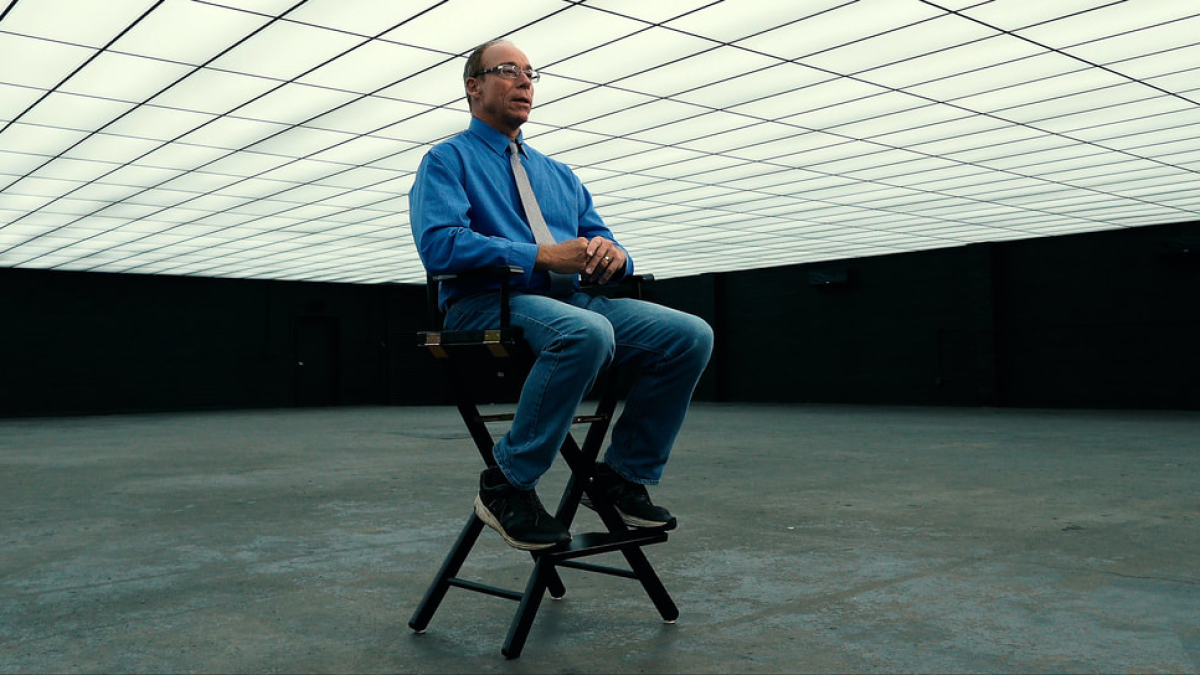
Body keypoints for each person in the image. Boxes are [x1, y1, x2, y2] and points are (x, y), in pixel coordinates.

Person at [409, 40, 714, 551]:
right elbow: (440, 246)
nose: (525, 82)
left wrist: (614, 257)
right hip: (485, 302)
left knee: (690, 335)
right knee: (586, 331)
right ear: (473, 86)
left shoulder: (560, 175)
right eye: (508, 71)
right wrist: (542, 256)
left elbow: (602, 238)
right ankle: (507, 483)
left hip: (568, 302)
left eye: (531, 74)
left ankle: (620, 477)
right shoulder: (446, 161)